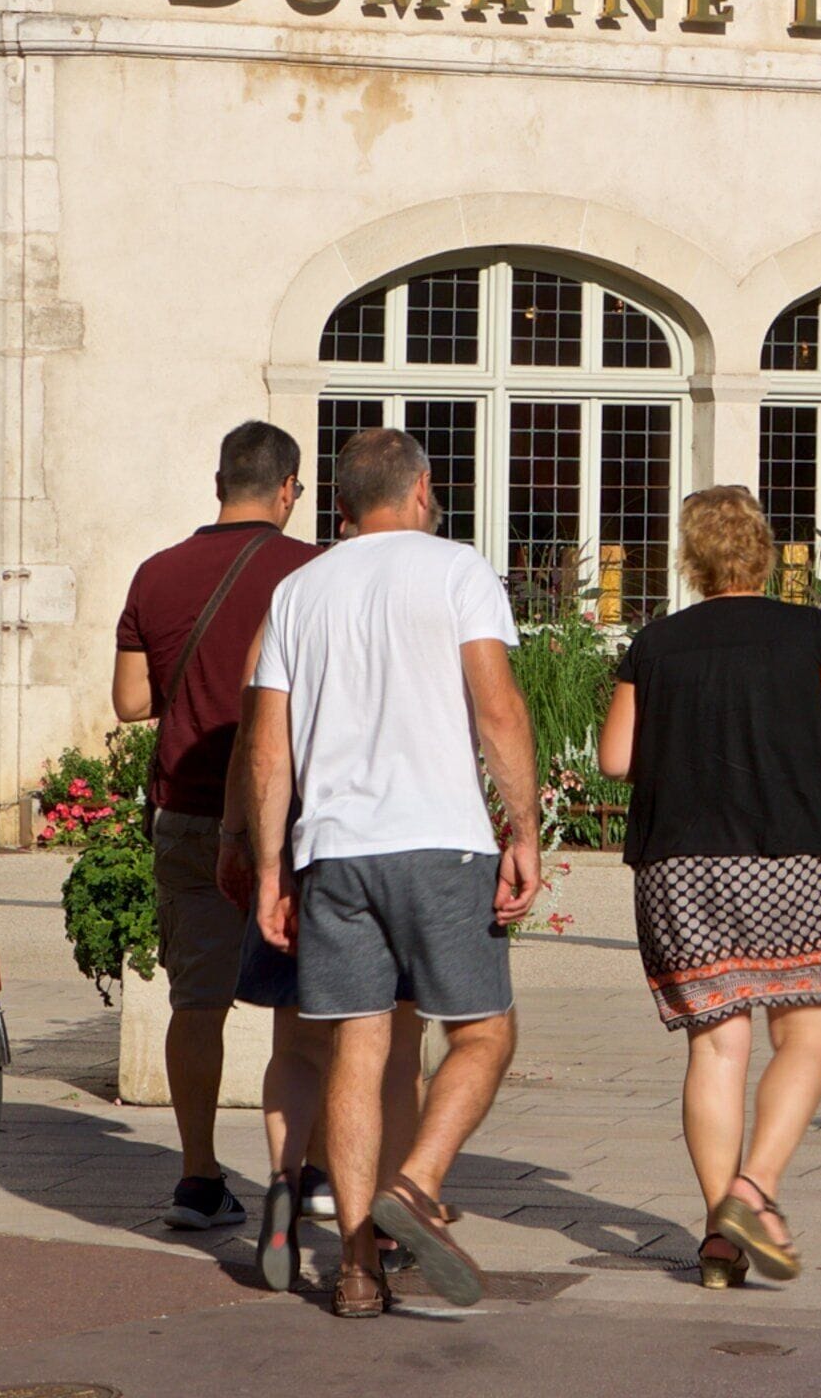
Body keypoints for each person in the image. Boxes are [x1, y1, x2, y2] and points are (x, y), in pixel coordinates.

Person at [242, 427, 544, 1317]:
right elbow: (498, 709)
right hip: (440, 840)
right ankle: (415, 1185)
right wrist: (524, 830)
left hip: (334, 850)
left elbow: (268, 748)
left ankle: (355, 1270)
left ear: (340, 505)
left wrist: (271, 869)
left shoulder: (299, 590)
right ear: (421, 490)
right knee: (483, 1035)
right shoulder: (456, 570)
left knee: (359, 1047)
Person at [596, 487, 821, 1289]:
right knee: (808, 1034)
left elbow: (615, 760)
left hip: (679, 864)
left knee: (716, 1045)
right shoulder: (810, 632)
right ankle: (754, 1191)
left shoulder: (656, 643)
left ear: (691, 561)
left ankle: (719, 1240)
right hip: (784, 855)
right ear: (763, 551)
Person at [113, 418, 326, 1232]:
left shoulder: (157, 573)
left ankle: (198, 1178)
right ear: (288, 489)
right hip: (290, 815)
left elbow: (131, 699)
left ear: (218, 485)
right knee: (304, 1003)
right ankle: (308, 1169)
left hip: (189, 808)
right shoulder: (311, 571)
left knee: (195, 1002)